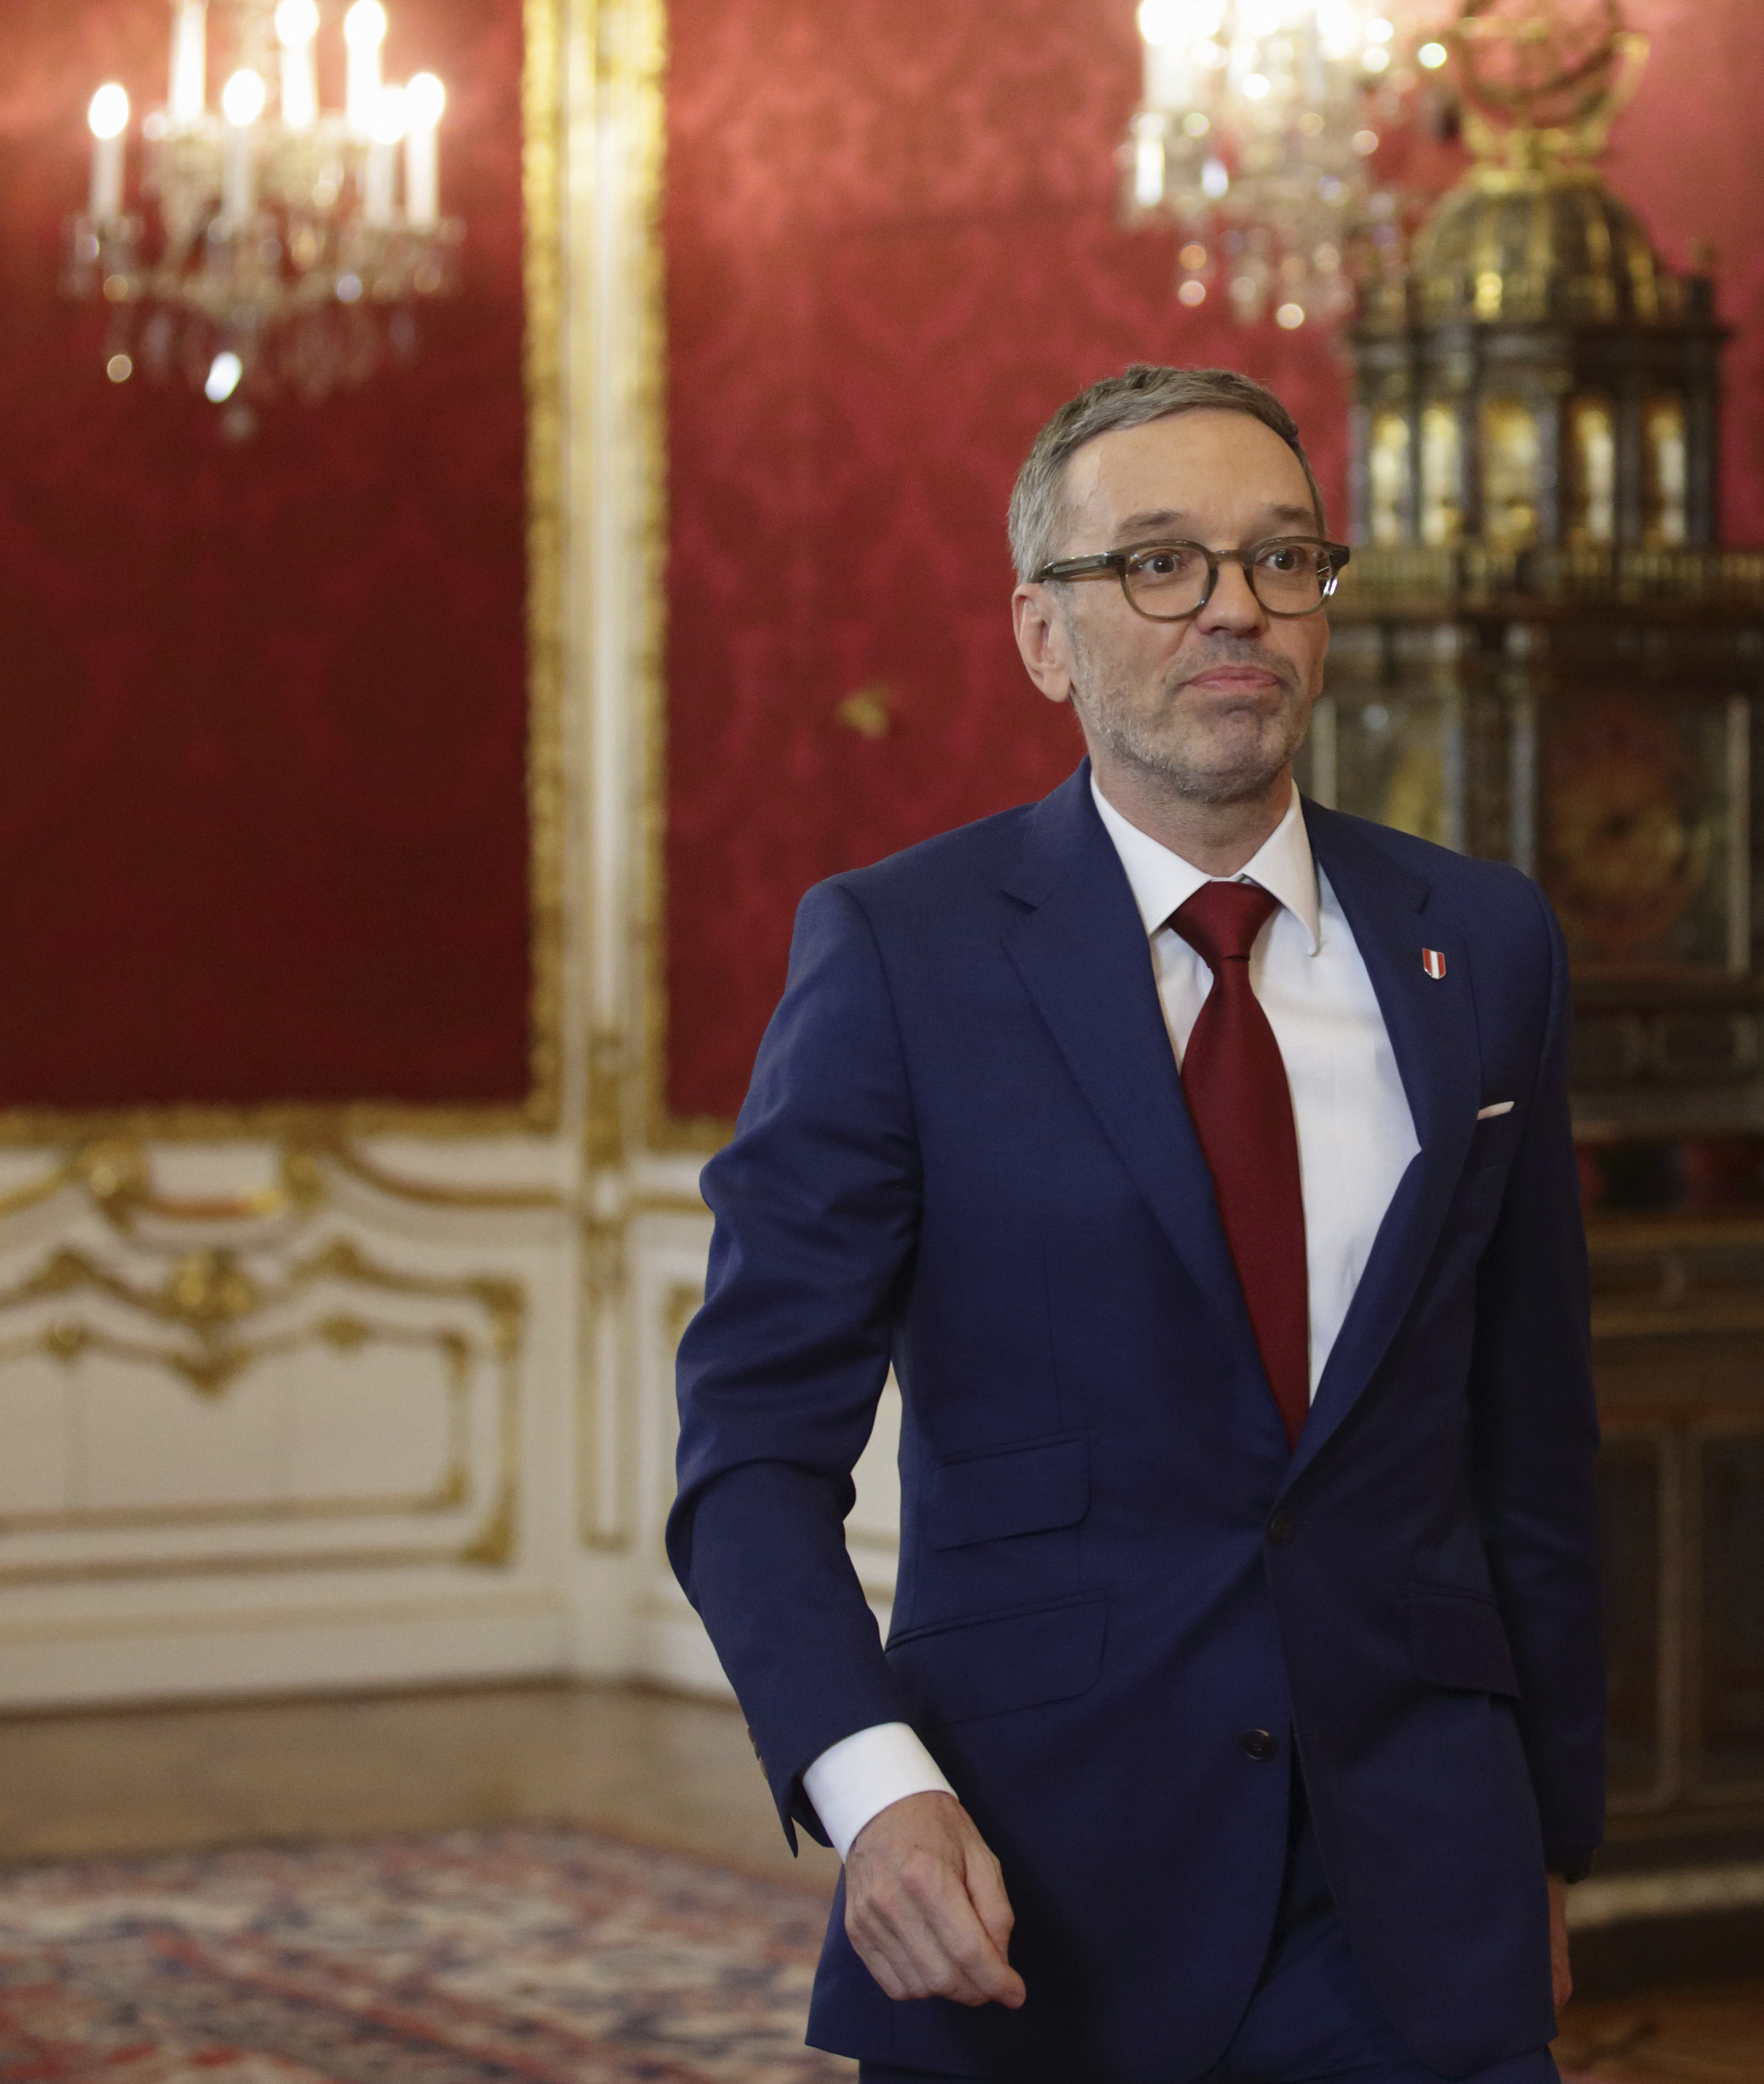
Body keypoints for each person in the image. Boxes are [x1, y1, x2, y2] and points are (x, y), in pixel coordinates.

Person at [668, 363, 1604, 2084]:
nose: (1233, 611)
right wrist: (874, 1794)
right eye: (1159, 564)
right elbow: (748, 1455)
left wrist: (1543, 1846)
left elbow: (1528, 1440)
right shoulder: (899, 953)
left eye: (1282, 561)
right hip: (1034, 1890)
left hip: (1416, 1886)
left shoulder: (1484, 946)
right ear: (1045, 634)